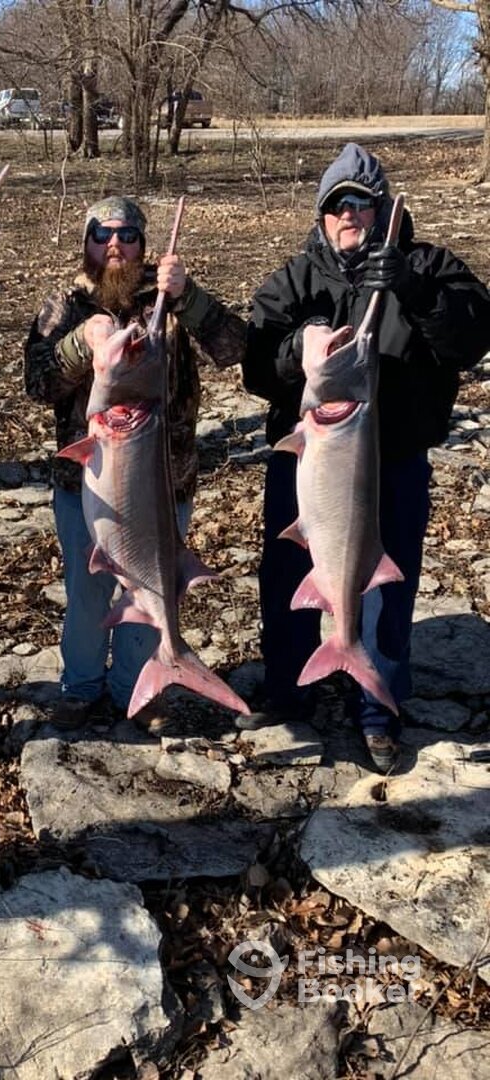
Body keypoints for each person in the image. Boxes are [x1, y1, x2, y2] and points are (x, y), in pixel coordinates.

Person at [243, 142, 490, 772]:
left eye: (361, 203)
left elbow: (471, 337)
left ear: (384, 210)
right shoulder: (295, 278)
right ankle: (289, 689)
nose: (349, 214)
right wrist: (300, 345)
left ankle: (376, 705)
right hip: (308, 464)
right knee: (287, 576)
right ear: (321, 215)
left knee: (384, 583)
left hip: (394, 461)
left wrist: (413, 289)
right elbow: (257, 361)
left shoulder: (429, 264)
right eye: (336, 205)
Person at [24, 195, 245, 732]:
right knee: (87, 590)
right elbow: (38, 383)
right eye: (102, 235)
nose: (115, 245)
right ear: (88, 244)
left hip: (168, 484)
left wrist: (189, 297)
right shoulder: (65, 307)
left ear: (144, 244)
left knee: (153, 591)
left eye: (127, 235)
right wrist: (83, 343)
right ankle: (80, 686)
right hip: (87, 487)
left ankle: (138, 687)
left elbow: (236, 347)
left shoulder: (166, 299)